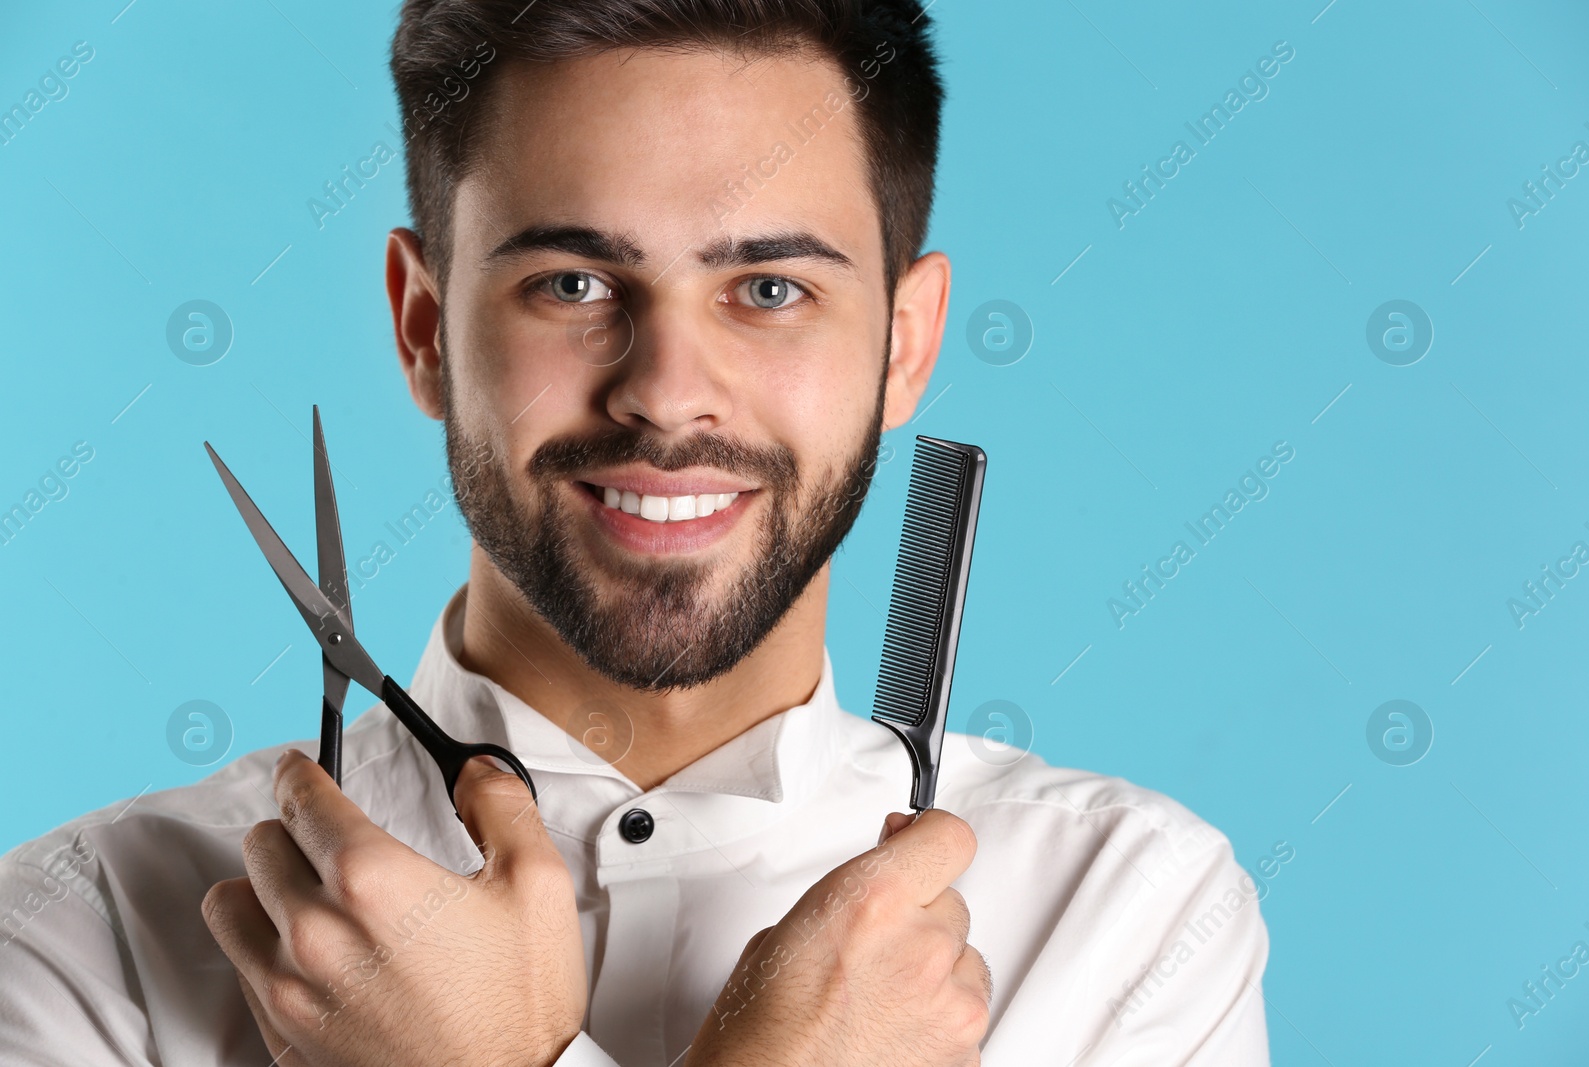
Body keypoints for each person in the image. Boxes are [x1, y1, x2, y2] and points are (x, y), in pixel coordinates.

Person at [0, 2, 1271, 1063]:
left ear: (907, 341)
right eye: (574, 284)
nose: (665, 390)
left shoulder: (1127, 917)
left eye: (769, 289)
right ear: (423, 326)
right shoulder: (89, 936)